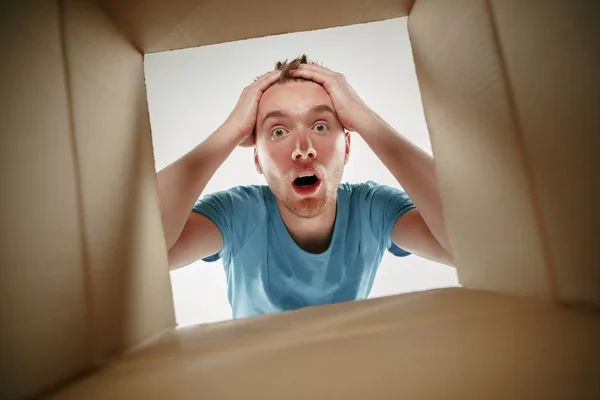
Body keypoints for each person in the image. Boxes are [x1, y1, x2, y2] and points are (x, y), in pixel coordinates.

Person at [157, 55, 453, 319]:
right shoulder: (237, 214)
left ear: (347, 147)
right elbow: (140, 255)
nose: (303, 149)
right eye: (279, 131)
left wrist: (364, 119)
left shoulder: (373, 209)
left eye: (321, 126)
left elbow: (472, 248)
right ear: (257, 158)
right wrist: (230, 130)